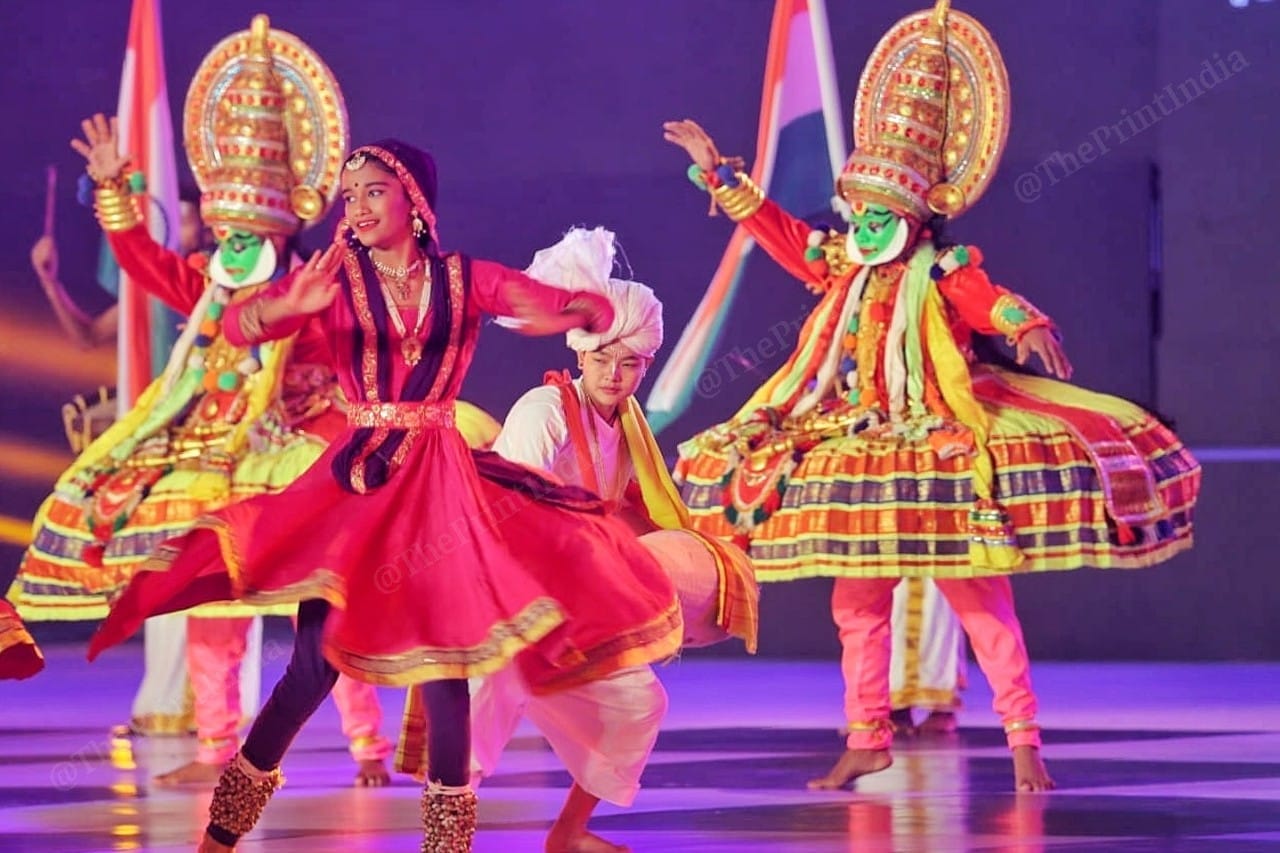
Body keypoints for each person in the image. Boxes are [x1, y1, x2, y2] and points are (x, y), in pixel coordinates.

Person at [662, 0, 1200, 792]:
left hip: (939, 438)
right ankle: (867, 735)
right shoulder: (842, 264)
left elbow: (989, 299)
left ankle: (1023, 743)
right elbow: (779, 233)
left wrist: (1023, 324)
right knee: (857, 600)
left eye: (881, 212)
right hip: (859, 436)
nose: (866, 222)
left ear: (912, 214)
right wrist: (721, 177)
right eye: (860, 210)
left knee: (979, 599)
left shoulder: (939, 272)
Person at [88, 140, 684, 852]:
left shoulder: (461, 279)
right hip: (359, 484)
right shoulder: (334, 278)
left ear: (414, 201)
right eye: (351, 195)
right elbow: (236, 323)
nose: (359, 206)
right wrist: (286, 303)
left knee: (446, 663)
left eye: (374, 191)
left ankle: (446, 845)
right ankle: (220, 834)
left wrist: (582, 306)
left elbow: (529, 299)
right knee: (312, 664)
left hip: (438, 487)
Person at [9, 17, 392, 787]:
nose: (237, 241)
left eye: (251, 228)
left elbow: (345, 348)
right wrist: (114, 189)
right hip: (209, 450)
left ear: (281, 221)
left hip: (297, 442)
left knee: (323, 601)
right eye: (228, 228)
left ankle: (368, 746)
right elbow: (146, 264)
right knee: (210, 598)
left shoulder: (310, 283)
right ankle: (220, 749)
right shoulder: (208, 280)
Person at [442, 227, 757, 853]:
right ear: (580, 356)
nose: (615, 373)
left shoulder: (630, 428)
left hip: (569, 608)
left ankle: (567, 836)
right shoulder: (544, 409)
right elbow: (507, 508)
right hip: (504, 601)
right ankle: (444, 843)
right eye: (603, 358)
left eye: (630, 361)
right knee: (472, 728)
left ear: (646, 363)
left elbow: (638, 518)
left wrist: (680, 582)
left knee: (637, 706)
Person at [26, 182, 260, 740]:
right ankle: (196, 719)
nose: (177, 231)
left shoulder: (239, 281)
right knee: (168, 576)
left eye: (183, 221)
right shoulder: (178, 286)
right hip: (169, 440)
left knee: (243, 584)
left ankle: (249, 726)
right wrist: (49, 279)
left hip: (236, 441)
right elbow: (86, 334)